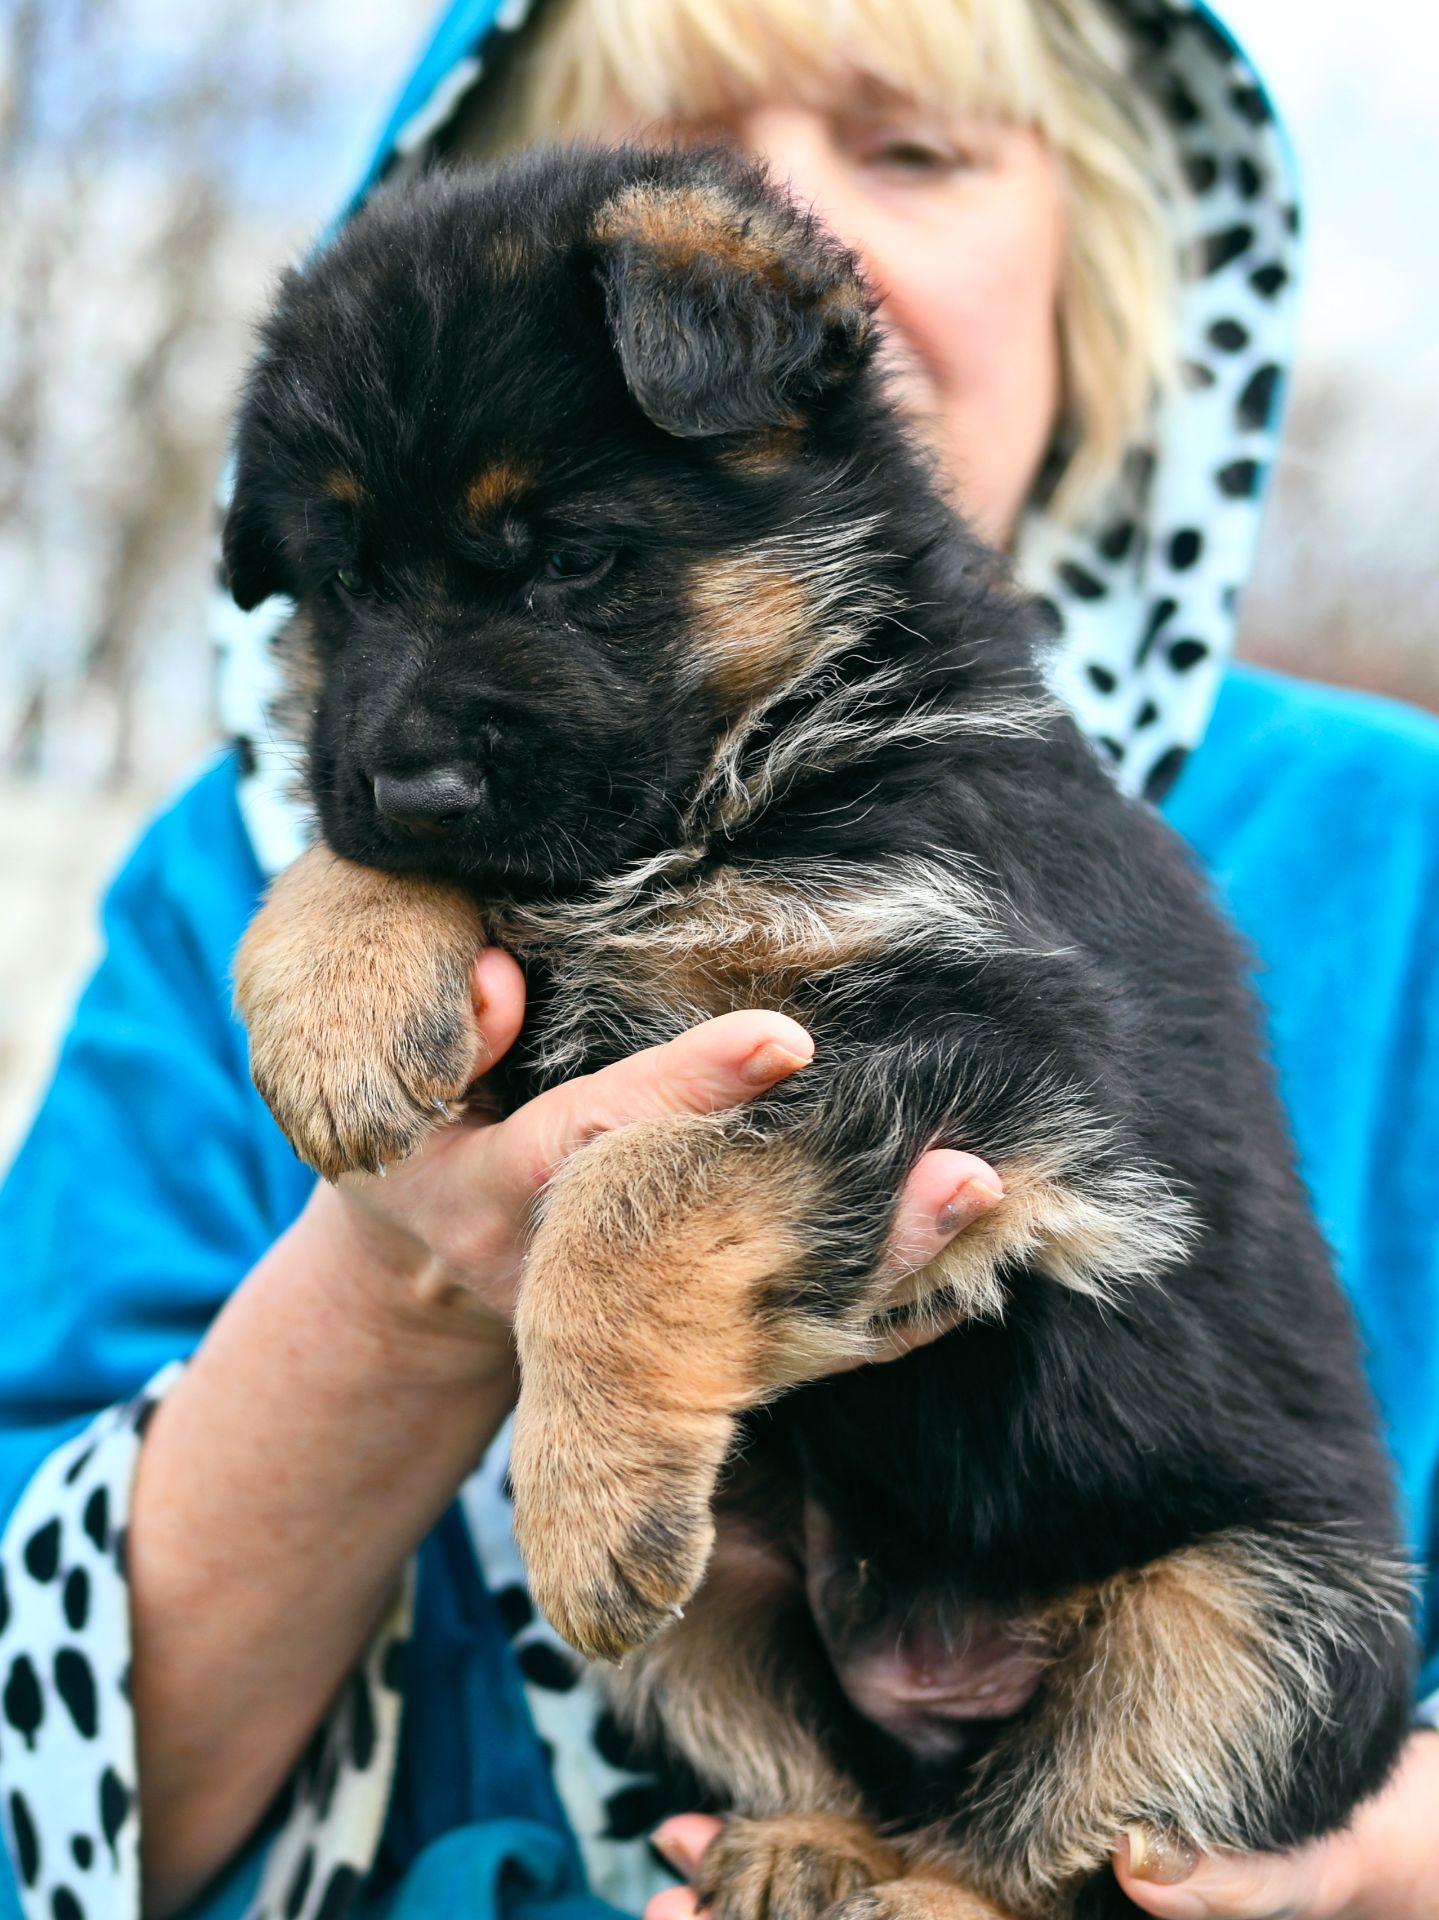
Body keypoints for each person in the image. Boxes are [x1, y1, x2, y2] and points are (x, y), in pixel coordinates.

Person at [1, 2, 1436, 1919]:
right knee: (682, 1615)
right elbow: (42, 1748)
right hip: (739, 1690)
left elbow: (983, 1087)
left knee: (1277, 1624)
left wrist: (1375, 1871)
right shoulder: (229, 893)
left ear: (1105, 256)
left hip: (1157, 1588)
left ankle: (985, 1887)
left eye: (913, 148)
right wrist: (393, 1261)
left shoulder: (1370, 845)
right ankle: (841, 1852)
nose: (413, 731)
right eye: (358, 594)